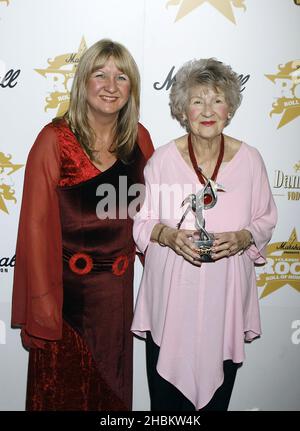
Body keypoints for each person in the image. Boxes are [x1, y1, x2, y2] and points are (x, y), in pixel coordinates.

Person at [11, 39, 154, 411]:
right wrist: (42, 312)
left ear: (132, 88)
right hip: (65, 306)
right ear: (82, 82)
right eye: (100, 74)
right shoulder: (53, 140)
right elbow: (35, 230)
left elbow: (156, 221)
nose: (110, 85)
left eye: (121, 77)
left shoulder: (140, 139)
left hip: (117, 306)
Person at [131, 58, 277, 411]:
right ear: (183, 110)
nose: (207, 110)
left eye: (217, 99)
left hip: (223, 307)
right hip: (170, 305)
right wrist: (167, 235)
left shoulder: (251, 160)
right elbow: (141, 223)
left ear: (230, 108)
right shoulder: (162, 161)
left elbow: (265, 219)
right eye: (197, 100)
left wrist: (244, 237)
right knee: (167, 412)